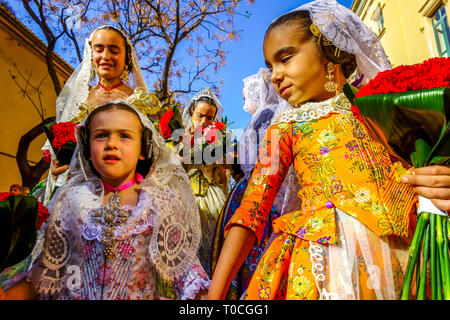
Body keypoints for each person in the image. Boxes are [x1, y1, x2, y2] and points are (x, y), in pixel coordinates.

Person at [208, 0, 450, 300]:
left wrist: (436, 182)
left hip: (414, 259)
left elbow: (417, 173)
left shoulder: (380, 107)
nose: (274, 75)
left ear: (328, 50)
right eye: (271, 66)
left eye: (285, 58)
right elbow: (251, 212)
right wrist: (214, 297)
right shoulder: (283, 128)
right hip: (327, 267)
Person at [0, 101, 209, 300]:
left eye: (125, 136)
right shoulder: (70, 199)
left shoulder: (159, 203)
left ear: (143, 150)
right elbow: (44, 276)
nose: (111, 144)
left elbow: (188, 274)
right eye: (101, 136)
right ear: (87, 148)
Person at [210, 68, 294, 299]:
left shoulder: (266, 116)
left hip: (258, 189)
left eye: (246, 96)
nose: (245, 102)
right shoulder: (272, 114)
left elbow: (256, 159)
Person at [177, 88, 229, 278]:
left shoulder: (218, 142)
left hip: (213, 199)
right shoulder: (178, 138)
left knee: (214, 246)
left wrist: (221, 160)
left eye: (210, 117)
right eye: (200, 115)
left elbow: (223, 178)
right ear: (191, 112)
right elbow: (170, 170)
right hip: (184, 198)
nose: (205, 121)